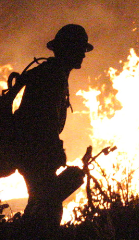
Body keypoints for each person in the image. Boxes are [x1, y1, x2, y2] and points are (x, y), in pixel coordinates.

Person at [12, 23, 91, 229]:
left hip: (33, 152)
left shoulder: (54, 74)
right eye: (80, 49)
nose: (83, 55)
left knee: (40, 201)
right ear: (67, 49)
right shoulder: (52, 76)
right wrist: (53, 150)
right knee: (48, 207)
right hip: (34, 152)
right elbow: (41, 118)